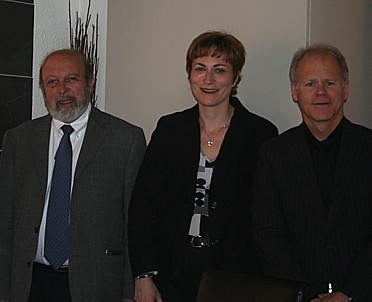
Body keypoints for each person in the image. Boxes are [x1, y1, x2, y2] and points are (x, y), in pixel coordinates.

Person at [0, 48, 146, 302]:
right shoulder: (19, 140)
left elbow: (134, 224)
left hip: (96, 284)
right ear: (43, 89)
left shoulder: (125, 139)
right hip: (28, 283)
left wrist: (129, 290)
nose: (62, 89)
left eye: (71, 79)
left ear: (90, 83)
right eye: (52, 82)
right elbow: (4, 223)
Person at [127, 31, 278, 302]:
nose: (208, 79)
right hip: (171, 273)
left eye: (219, 70)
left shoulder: (260, 134)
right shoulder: (169, 129)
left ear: (235, 78)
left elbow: (267, 215)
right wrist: (143, 275)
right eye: (200, 69)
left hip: (236, 275)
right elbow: (142, 207)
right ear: (190, 75)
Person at [252, 43, 372, 301]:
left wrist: (351, 294)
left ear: (345, 89)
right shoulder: (272, 155)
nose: (321, 92)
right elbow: (268, 235)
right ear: (295, 92)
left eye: (330, 83)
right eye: (310, 84)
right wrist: (303, 295)